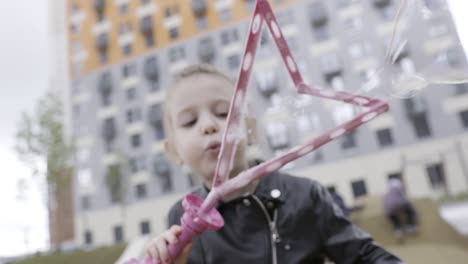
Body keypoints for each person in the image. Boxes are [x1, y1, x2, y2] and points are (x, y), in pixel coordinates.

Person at [146, 64, 403, 264]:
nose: (209, 125)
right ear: (173, 151)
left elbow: (365, 257)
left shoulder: (305, 197)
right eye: (190, 121)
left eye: (224, 113)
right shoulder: (179, 217)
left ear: (251, 130)